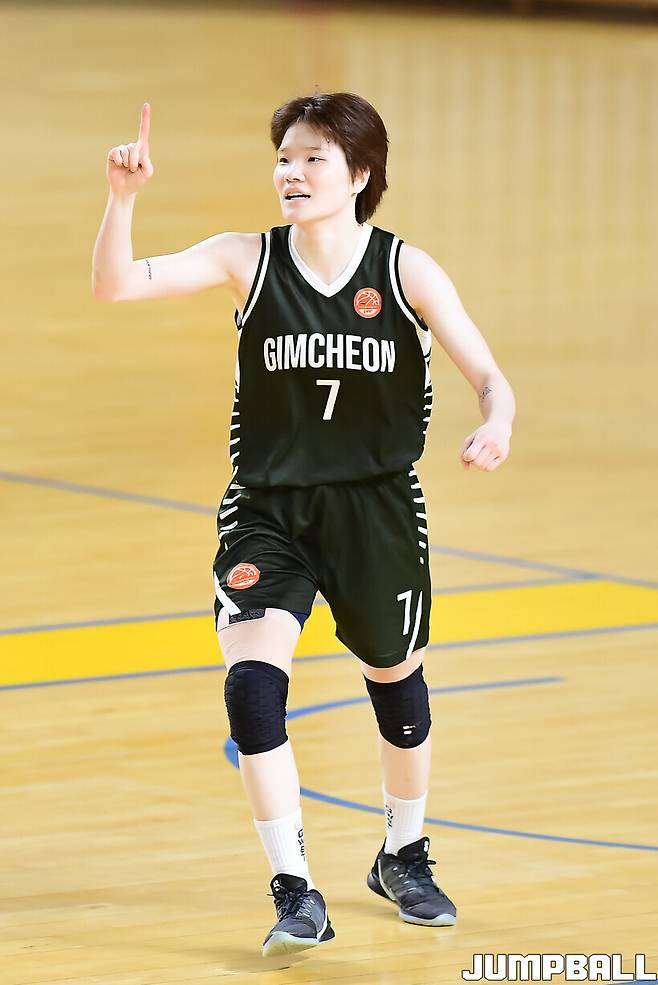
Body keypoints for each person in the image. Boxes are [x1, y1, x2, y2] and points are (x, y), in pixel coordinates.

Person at [92, 92, 515, 959]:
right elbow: (116, 284)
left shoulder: (405, 271)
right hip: (268, 508)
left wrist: (497, 422)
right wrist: (122, 199)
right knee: (253, 687)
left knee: (396, 681)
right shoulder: (246, 259)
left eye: (314, 157)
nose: (291, 171)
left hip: (376, 507)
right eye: (284, 156)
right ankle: (295, 888)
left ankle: (403, 852)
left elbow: (489, 375)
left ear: (359, 174)